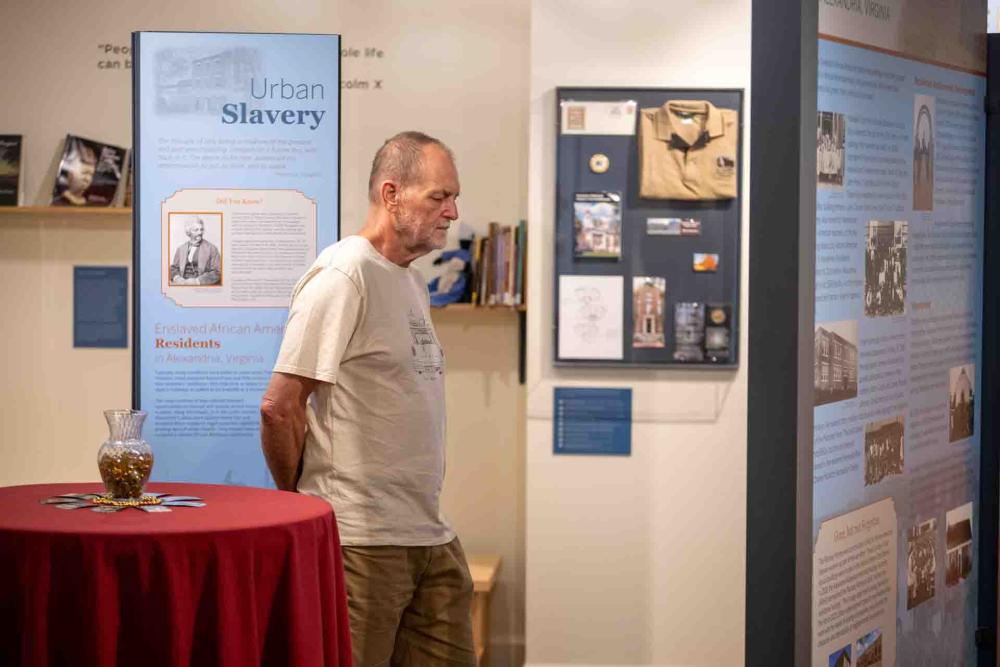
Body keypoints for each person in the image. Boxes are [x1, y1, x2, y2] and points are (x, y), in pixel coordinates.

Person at [260, 131, 476, 666]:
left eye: (454, 198)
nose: (452, 211)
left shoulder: (408, 280)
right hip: (359, 541)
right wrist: (304, 503)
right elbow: (280, 405)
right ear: (391, 193)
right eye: (438, 197)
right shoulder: (343, 274)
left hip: (428, 533)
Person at [169, 216, 221, 285]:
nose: (200, 232)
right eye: (196, 230)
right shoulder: (181, 249)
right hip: (182, 285)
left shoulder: (212, 248)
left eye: (201, 229)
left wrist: (197, 281)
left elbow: (217, 272)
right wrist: (177, 278)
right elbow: (173, 268)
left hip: (201, 287)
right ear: (189, 232)